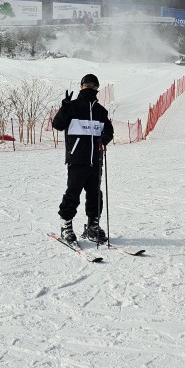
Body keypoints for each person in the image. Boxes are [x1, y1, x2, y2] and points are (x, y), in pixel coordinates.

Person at [52, 73, 114, 244]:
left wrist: (104, 138)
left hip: (96, 160)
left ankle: (93, 226)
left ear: (97, 89)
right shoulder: (72, 106)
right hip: (77, 159)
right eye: (88, 86)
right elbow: (57, 125)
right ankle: (66, 225)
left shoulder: (101, 111)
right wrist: (64, 108)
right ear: (81, 86)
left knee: (95, 195)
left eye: (93, 86)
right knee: (73, 193)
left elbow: (109, 131)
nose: (90, 89)